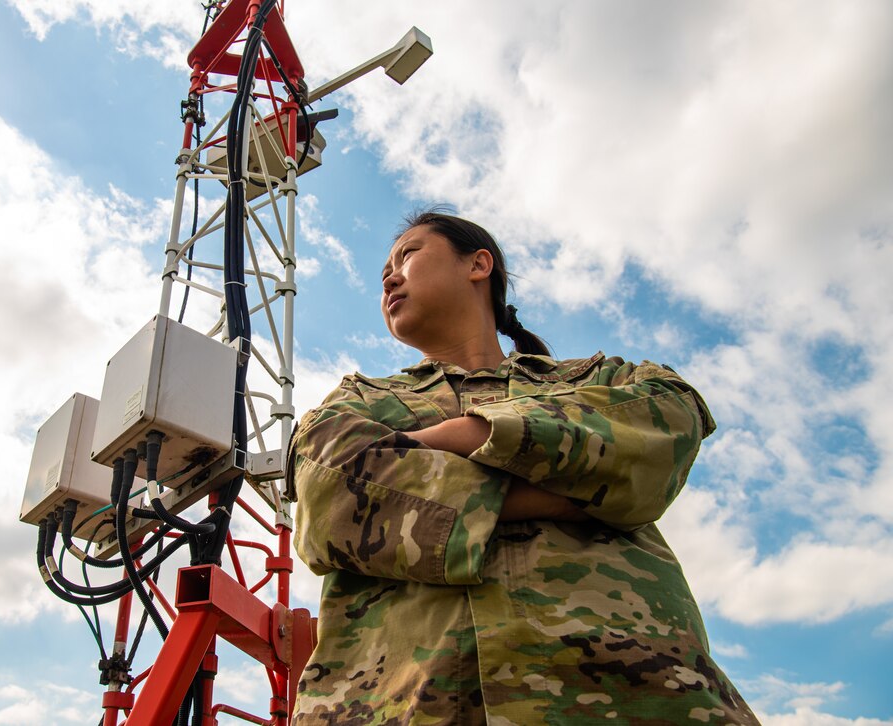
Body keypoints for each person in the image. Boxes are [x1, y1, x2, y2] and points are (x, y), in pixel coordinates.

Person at [287, 209, 758, 725]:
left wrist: (474, 433)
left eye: (409, 255)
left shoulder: (598, 377)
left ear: (478, 265)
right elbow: (325, 490)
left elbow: (673, 414)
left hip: (637, 694)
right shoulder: (360, 400)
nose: (390, 278)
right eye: (384, 275)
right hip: (405, 702)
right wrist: (563, 493)